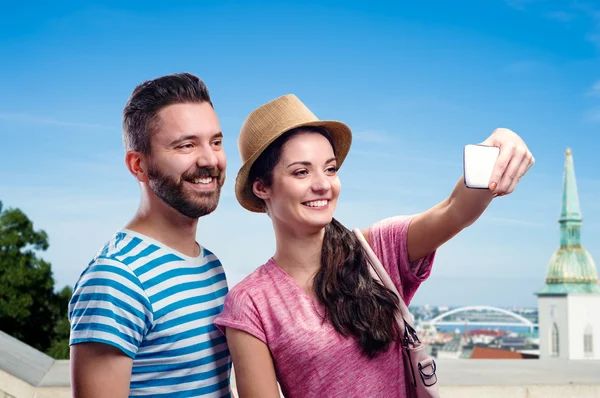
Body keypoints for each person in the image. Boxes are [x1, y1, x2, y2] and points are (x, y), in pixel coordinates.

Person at [214, 94, 534, 398]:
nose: (323, 184)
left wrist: (498, 146)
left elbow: (455, 210)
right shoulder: (250, 303)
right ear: (262, 187)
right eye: (301, 171)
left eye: (330, 168)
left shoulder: (378, 251)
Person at [68, 73, 233, 397]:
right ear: (138, 166)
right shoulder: (115, 278)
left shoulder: (210, 265)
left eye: (215, 142)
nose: (209, 159)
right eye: (186, 145)